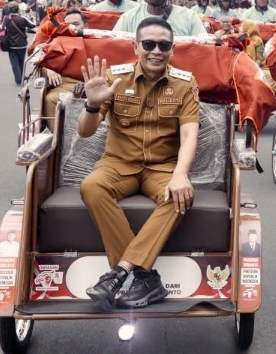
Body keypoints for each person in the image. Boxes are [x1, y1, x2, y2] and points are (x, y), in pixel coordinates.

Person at [80, 17, 200, 311]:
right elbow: (85, 131)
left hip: (162, 167)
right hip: (118, 163)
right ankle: (145, 277)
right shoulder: (114, 78)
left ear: (172, 50)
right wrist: (93, 104)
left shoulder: (185, 84)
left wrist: (181, 174)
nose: (156, 51)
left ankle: (118, 274)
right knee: (91, 187)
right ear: (136, 47)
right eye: (148, 44)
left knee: (179, 195)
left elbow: (189, 135)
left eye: (164, 45)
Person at [41, 8, 87, 120]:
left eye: (76, 24)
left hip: (93, 83)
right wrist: (49, 69)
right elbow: (42, 62)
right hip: (65, 84)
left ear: (85, 25)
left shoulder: (96, 39)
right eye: (68, 24)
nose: (72, 27)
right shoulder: (57, 41)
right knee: (51, 99)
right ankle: (57, 136)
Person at [0, 2, 32, 85]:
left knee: (14, 62)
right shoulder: (22, 19)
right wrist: (30, 17)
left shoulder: (6, 18)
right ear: (18, 9)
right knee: (21, 62)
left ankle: (18, 79)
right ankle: (21, 77)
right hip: (22, 44)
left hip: (11, 44)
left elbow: (2, 27)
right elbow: (32, 25)